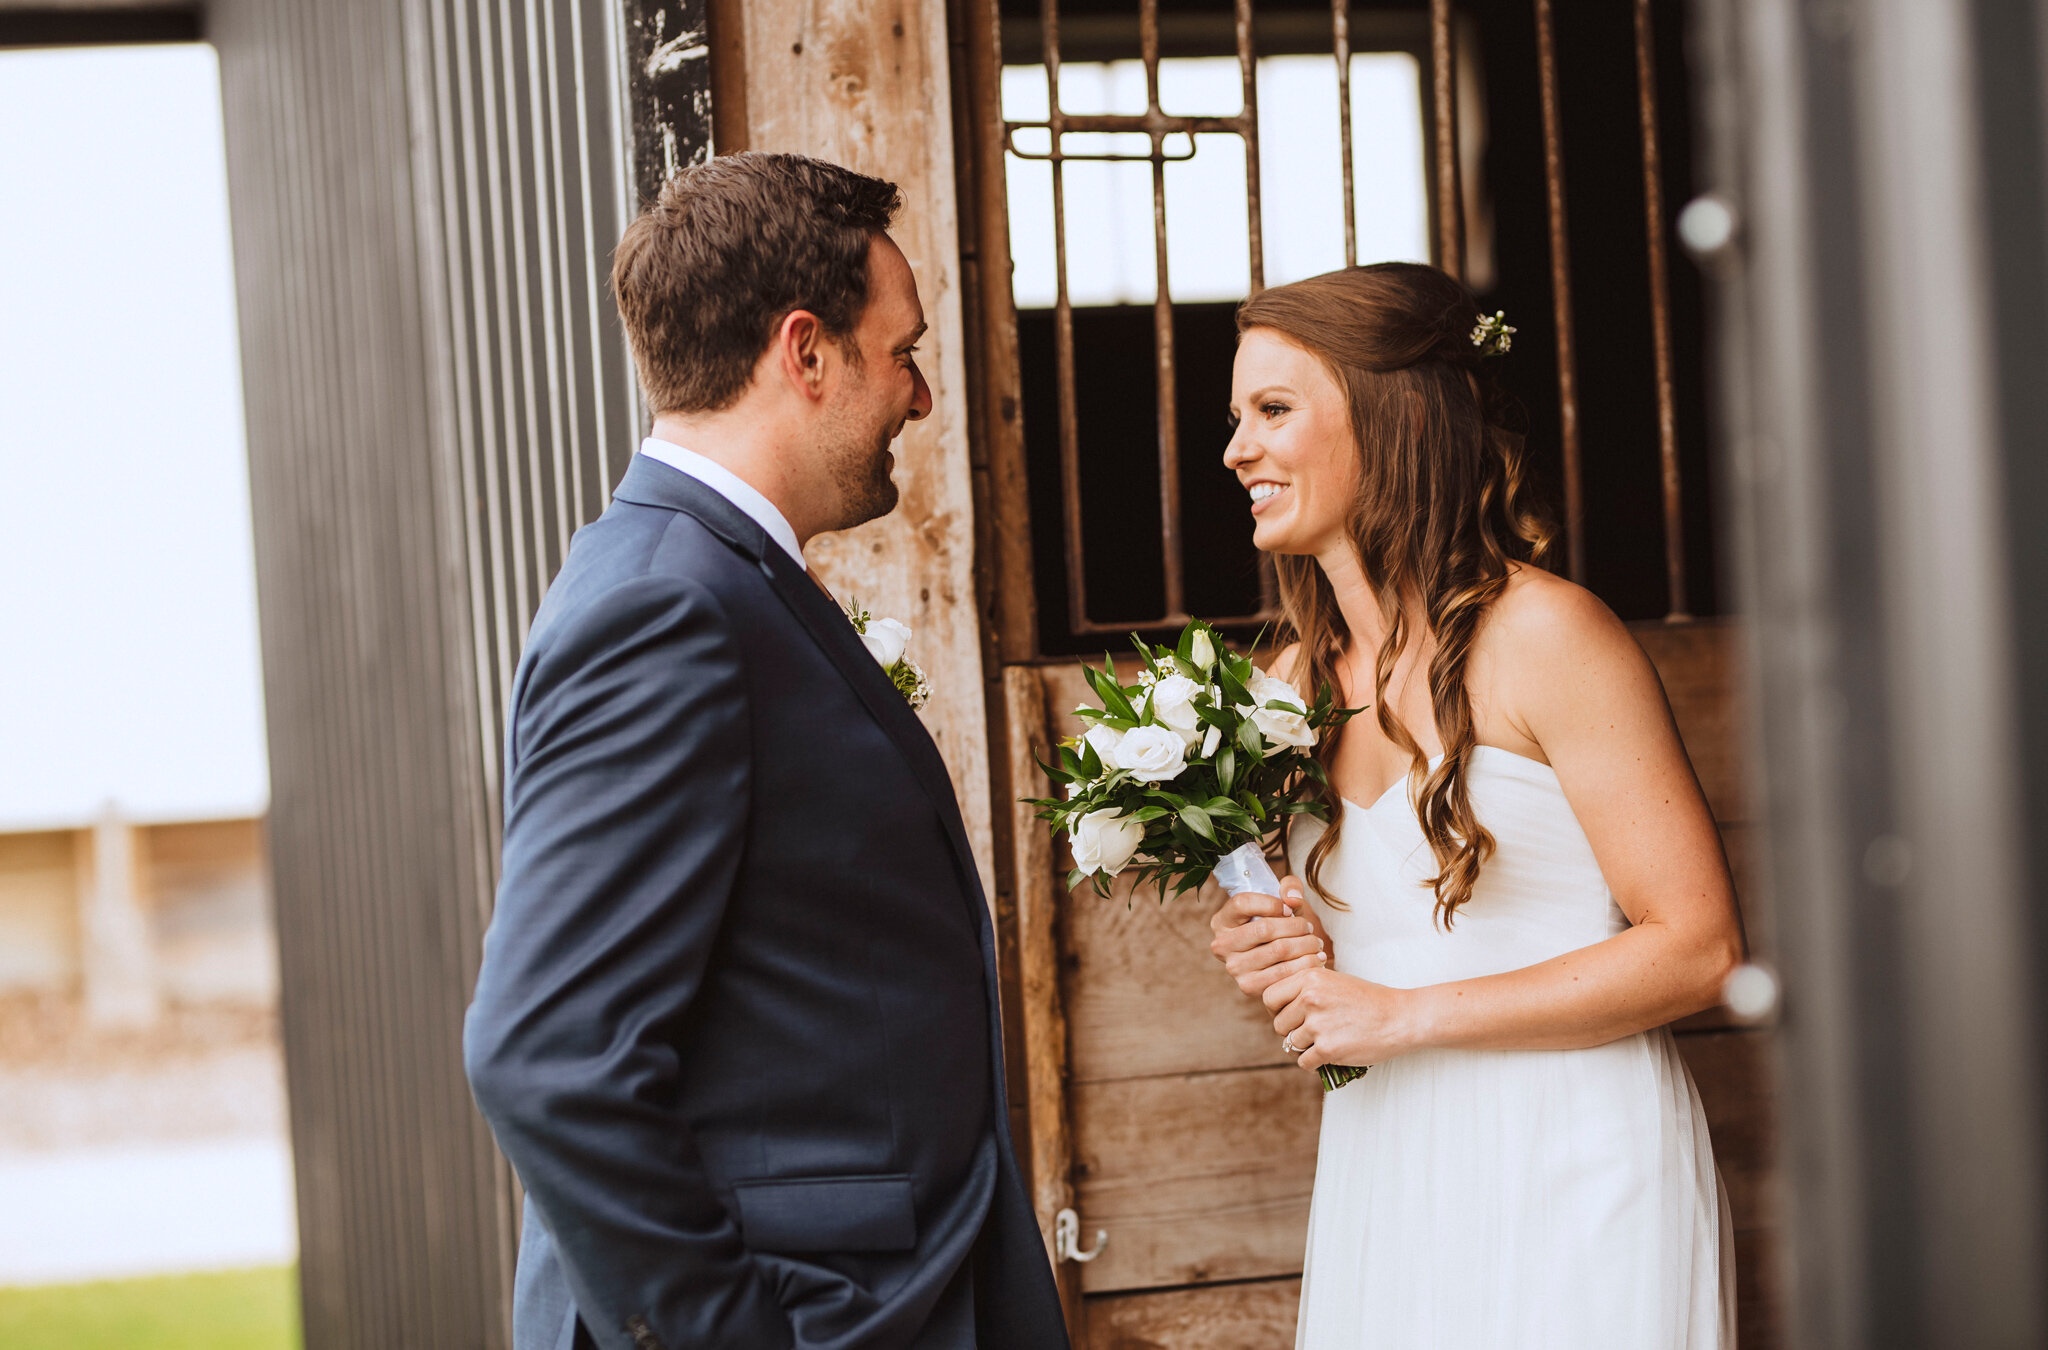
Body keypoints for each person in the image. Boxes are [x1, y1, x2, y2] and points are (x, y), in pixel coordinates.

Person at [462, 153, 1068, 1350]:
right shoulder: (665, 609)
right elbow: (545, 1054)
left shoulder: (713, 577)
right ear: (804, 351)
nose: (921, 396)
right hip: (810, 1311)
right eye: (901, 352)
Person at [1207, 262, 1741, 1348]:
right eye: (1234, 418)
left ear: (1389, 417)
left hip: (1570, 1157)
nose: (1236, 452)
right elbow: (1361, 950)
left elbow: (1697, 948)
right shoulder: (1281, 687)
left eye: (1271, 411)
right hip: (1388, 1161)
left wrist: (1400, 1016)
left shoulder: (1544, 637)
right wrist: (1273, 950)